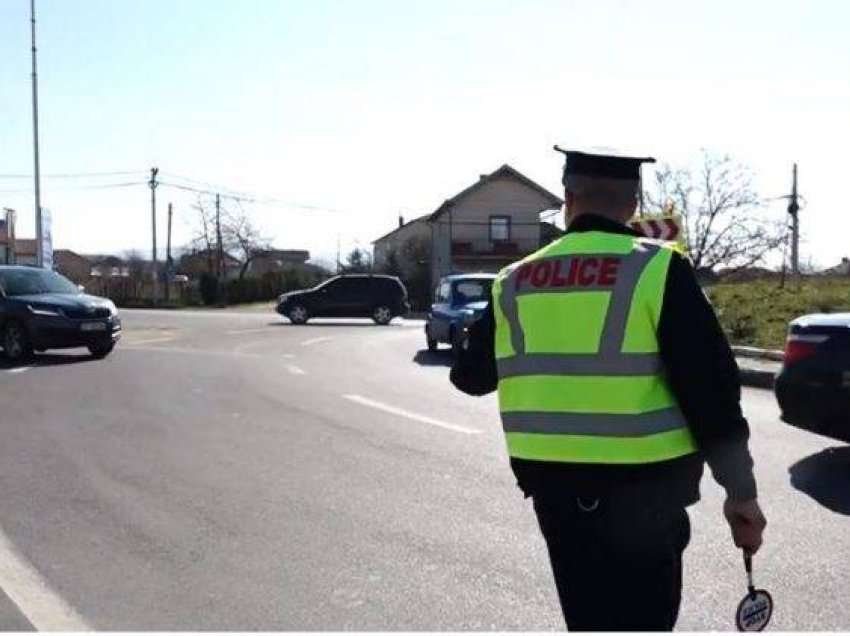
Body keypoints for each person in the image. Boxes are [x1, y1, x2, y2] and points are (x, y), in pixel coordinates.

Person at [450, 147, 766, 631]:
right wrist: (740, 494)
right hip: (647, 499)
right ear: (634, 205)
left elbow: (469, 378)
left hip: (556, 498)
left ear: (567, 197)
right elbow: (713, 393)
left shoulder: (513, 280)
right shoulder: (658, 269)